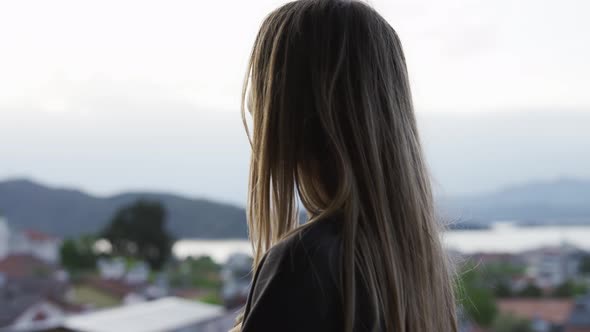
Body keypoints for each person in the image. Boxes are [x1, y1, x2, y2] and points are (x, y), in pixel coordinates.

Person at [233, 0, 458, 331]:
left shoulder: (305, 263)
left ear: (288, 111)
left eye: (261, 85)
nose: (253, 102)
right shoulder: (416, 267)